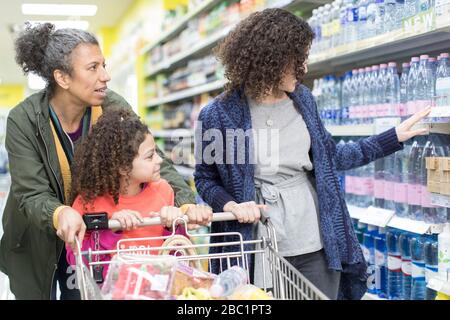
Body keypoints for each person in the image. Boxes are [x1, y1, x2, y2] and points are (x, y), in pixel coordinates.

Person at [194, 8, 431, 300]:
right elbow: (204, 179)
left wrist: (392, 138)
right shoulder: (217, 114)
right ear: (272, 59)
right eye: (298, 60)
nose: (303, 69)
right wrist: (230, 204)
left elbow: (331, 158)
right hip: (256, 241)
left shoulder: (303, 100)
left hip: (314, 239)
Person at [0, 23, 209, 300]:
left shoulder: (111, 105)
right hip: (39, 235)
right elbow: (31, 192)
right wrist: (60, 213)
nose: (106, 76)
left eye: (104, 65)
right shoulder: (23, 120)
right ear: (62, 77)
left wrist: (184, 201)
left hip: (99, 233)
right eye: (93, 68)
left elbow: (149, 155)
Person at [66, 108, 211, 280]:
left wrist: (173, 226)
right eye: (150, 156)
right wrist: (112, 229)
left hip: (158, 291)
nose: (159, 160)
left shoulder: (163, 190)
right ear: (123, 167)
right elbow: (76, 260)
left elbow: (181, 258)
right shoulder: (88, 202)